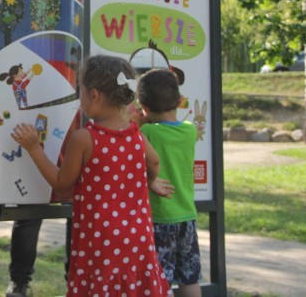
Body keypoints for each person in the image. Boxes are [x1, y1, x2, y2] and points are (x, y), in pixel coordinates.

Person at [11, 55, 174, 296]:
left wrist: (34, 148)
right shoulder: (135, 135)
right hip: (137, 236)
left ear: (94, 95)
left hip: (101, 239)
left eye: (81, 90)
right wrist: (151, 181)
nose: (80, 97)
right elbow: (154, 161)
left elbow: (61, 182)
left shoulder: (84, 138)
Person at [137, 69, 202, 297]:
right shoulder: (189, 131)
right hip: (187, 216)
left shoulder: (146, 132)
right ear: (178, 100)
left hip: (159, 219)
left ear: (143, 105)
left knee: (159, 278)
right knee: (189, 277)